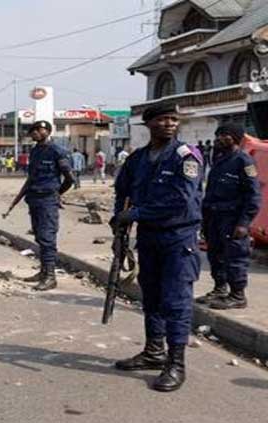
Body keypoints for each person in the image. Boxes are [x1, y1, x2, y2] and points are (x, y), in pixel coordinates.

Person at [111, 104, 203, 392]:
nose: (169, 123)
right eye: (162, 119)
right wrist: (120, 226)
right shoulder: (137, 159)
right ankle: (153, 352)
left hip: (179, 238)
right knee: (150, 295)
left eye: (174, 119)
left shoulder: (186, 156)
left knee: (175, 301)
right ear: (148, 123)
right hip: (149, 238)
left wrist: (134, 214)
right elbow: (122, 193)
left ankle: (176, 364)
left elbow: (181, 201)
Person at [4, 121, 74, 291]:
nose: (34, 132)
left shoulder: (56, 151)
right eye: (32, 130)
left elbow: (70, 178)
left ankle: (51, 277)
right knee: (39, 237)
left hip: (48, 200)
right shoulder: (35, 151)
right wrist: (18, 197)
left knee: (47, 238)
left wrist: (57, 193)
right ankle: (43, 272)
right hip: (34, 198)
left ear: (47, 132)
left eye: (38, 129)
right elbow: (31, 178)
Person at [198, 124, 261, 310]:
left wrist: (244, 223)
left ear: (235, 139)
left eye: (224, 135)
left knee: (235, 256)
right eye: (218, 134)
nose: (218, 138)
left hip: (232, 218)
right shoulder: (219, 159)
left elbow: (253, 195)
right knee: (215, 254)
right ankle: (220, 289)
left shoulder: (244, 161)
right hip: (214, 216)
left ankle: (237, 295)